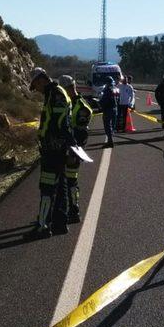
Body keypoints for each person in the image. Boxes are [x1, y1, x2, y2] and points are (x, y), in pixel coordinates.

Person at [29, 67, 75, 237]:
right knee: (61, 184)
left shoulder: (55, 94)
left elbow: (61, 124)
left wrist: (70, 145)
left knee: (47, 187)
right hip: (56, 148)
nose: (37, 90)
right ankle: (60, 223)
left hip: (54, 149)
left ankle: (42, 227)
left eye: (36, 85)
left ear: (41, 79)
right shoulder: (54, 93)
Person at [58, 75, 93, 223]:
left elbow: (81, 133)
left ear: (70, 88)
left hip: (73, 150)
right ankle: (63, 209)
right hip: (62, 148)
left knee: (71, 181)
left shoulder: (81, 107)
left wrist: (74, 152)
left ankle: (74, 210)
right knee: (62, 181)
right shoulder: (65, 103)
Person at [99, 76, 118, 147]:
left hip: (108, 109)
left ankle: (110, 141)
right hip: (115, 108)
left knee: (107, 125)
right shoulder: (114, 88)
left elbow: (105, 100)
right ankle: (110, 139)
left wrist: (100, 103)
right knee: (112, 125)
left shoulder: (107, 90)